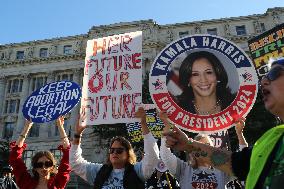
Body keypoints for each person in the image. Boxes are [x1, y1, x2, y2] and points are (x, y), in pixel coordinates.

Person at [163, 57, 284, 189]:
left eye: (274, 73)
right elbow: (232, 163)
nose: (263, 81)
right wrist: (189, 144)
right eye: (265, 76)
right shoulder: (273, 139)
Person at [69, 107, 159, 189]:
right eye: (112, 150)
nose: (114, 153)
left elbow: (153, 157)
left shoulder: (137, 171)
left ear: (128, 154)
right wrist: (77, 134)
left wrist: (143, 124)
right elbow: (75, 163)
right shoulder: (98, 171)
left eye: (119, 150)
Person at [159, 111, 235, 189]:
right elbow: (165, 156)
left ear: (212, 149)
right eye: (199, 146)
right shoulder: (183, 169)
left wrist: (240, 134)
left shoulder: (222, 171)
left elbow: (244, 166)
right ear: (193, 150)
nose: (203, 149)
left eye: (207, 146)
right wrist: (167, 125)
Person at [9, 117, 71, 189]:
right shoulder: (26, 182)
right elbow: (15, 158)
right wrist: (26, 127)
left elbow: (68, 155)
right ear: (35, 168)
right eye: (39, 165)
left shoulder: (57, 183)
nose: (43, 167)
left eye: (48, 164)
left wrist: (60, 126)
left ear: (52, 166)